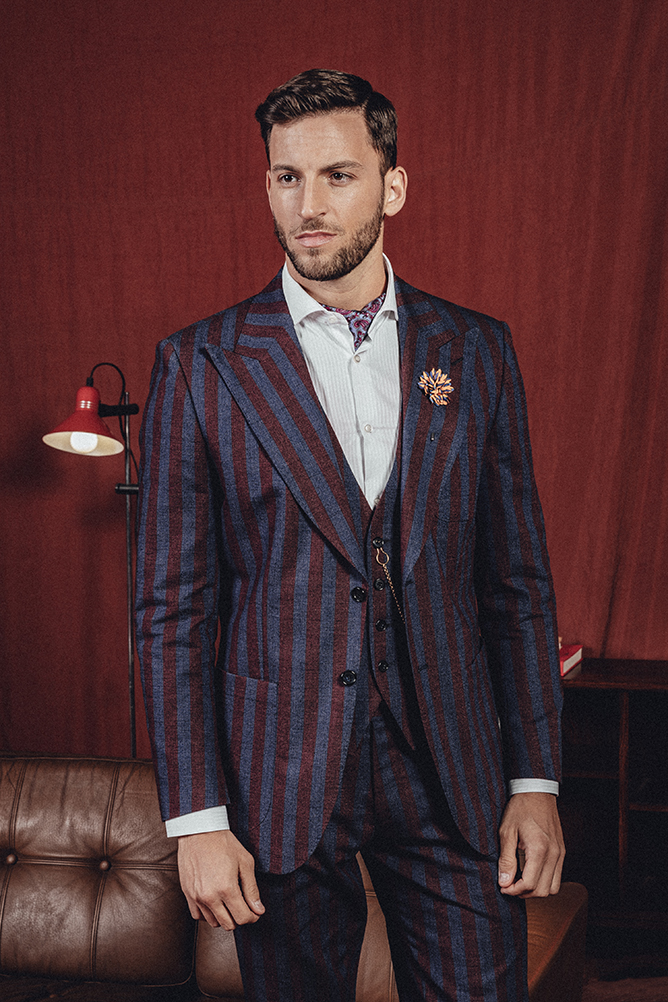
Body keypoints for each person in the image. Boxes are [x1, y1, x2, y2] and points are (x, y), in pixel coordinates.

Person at [136, 68, 564, 1002]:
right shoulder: (200, 364)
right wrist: (196, 819)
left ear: (392, 186)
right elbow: (172, 613)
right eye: (287, 177)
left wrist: (536, 782)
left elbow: (518, 585)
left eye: (338, 176)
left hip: (452, 772)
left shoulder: (475, 351)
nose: (309, 206)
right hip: (280, 779)